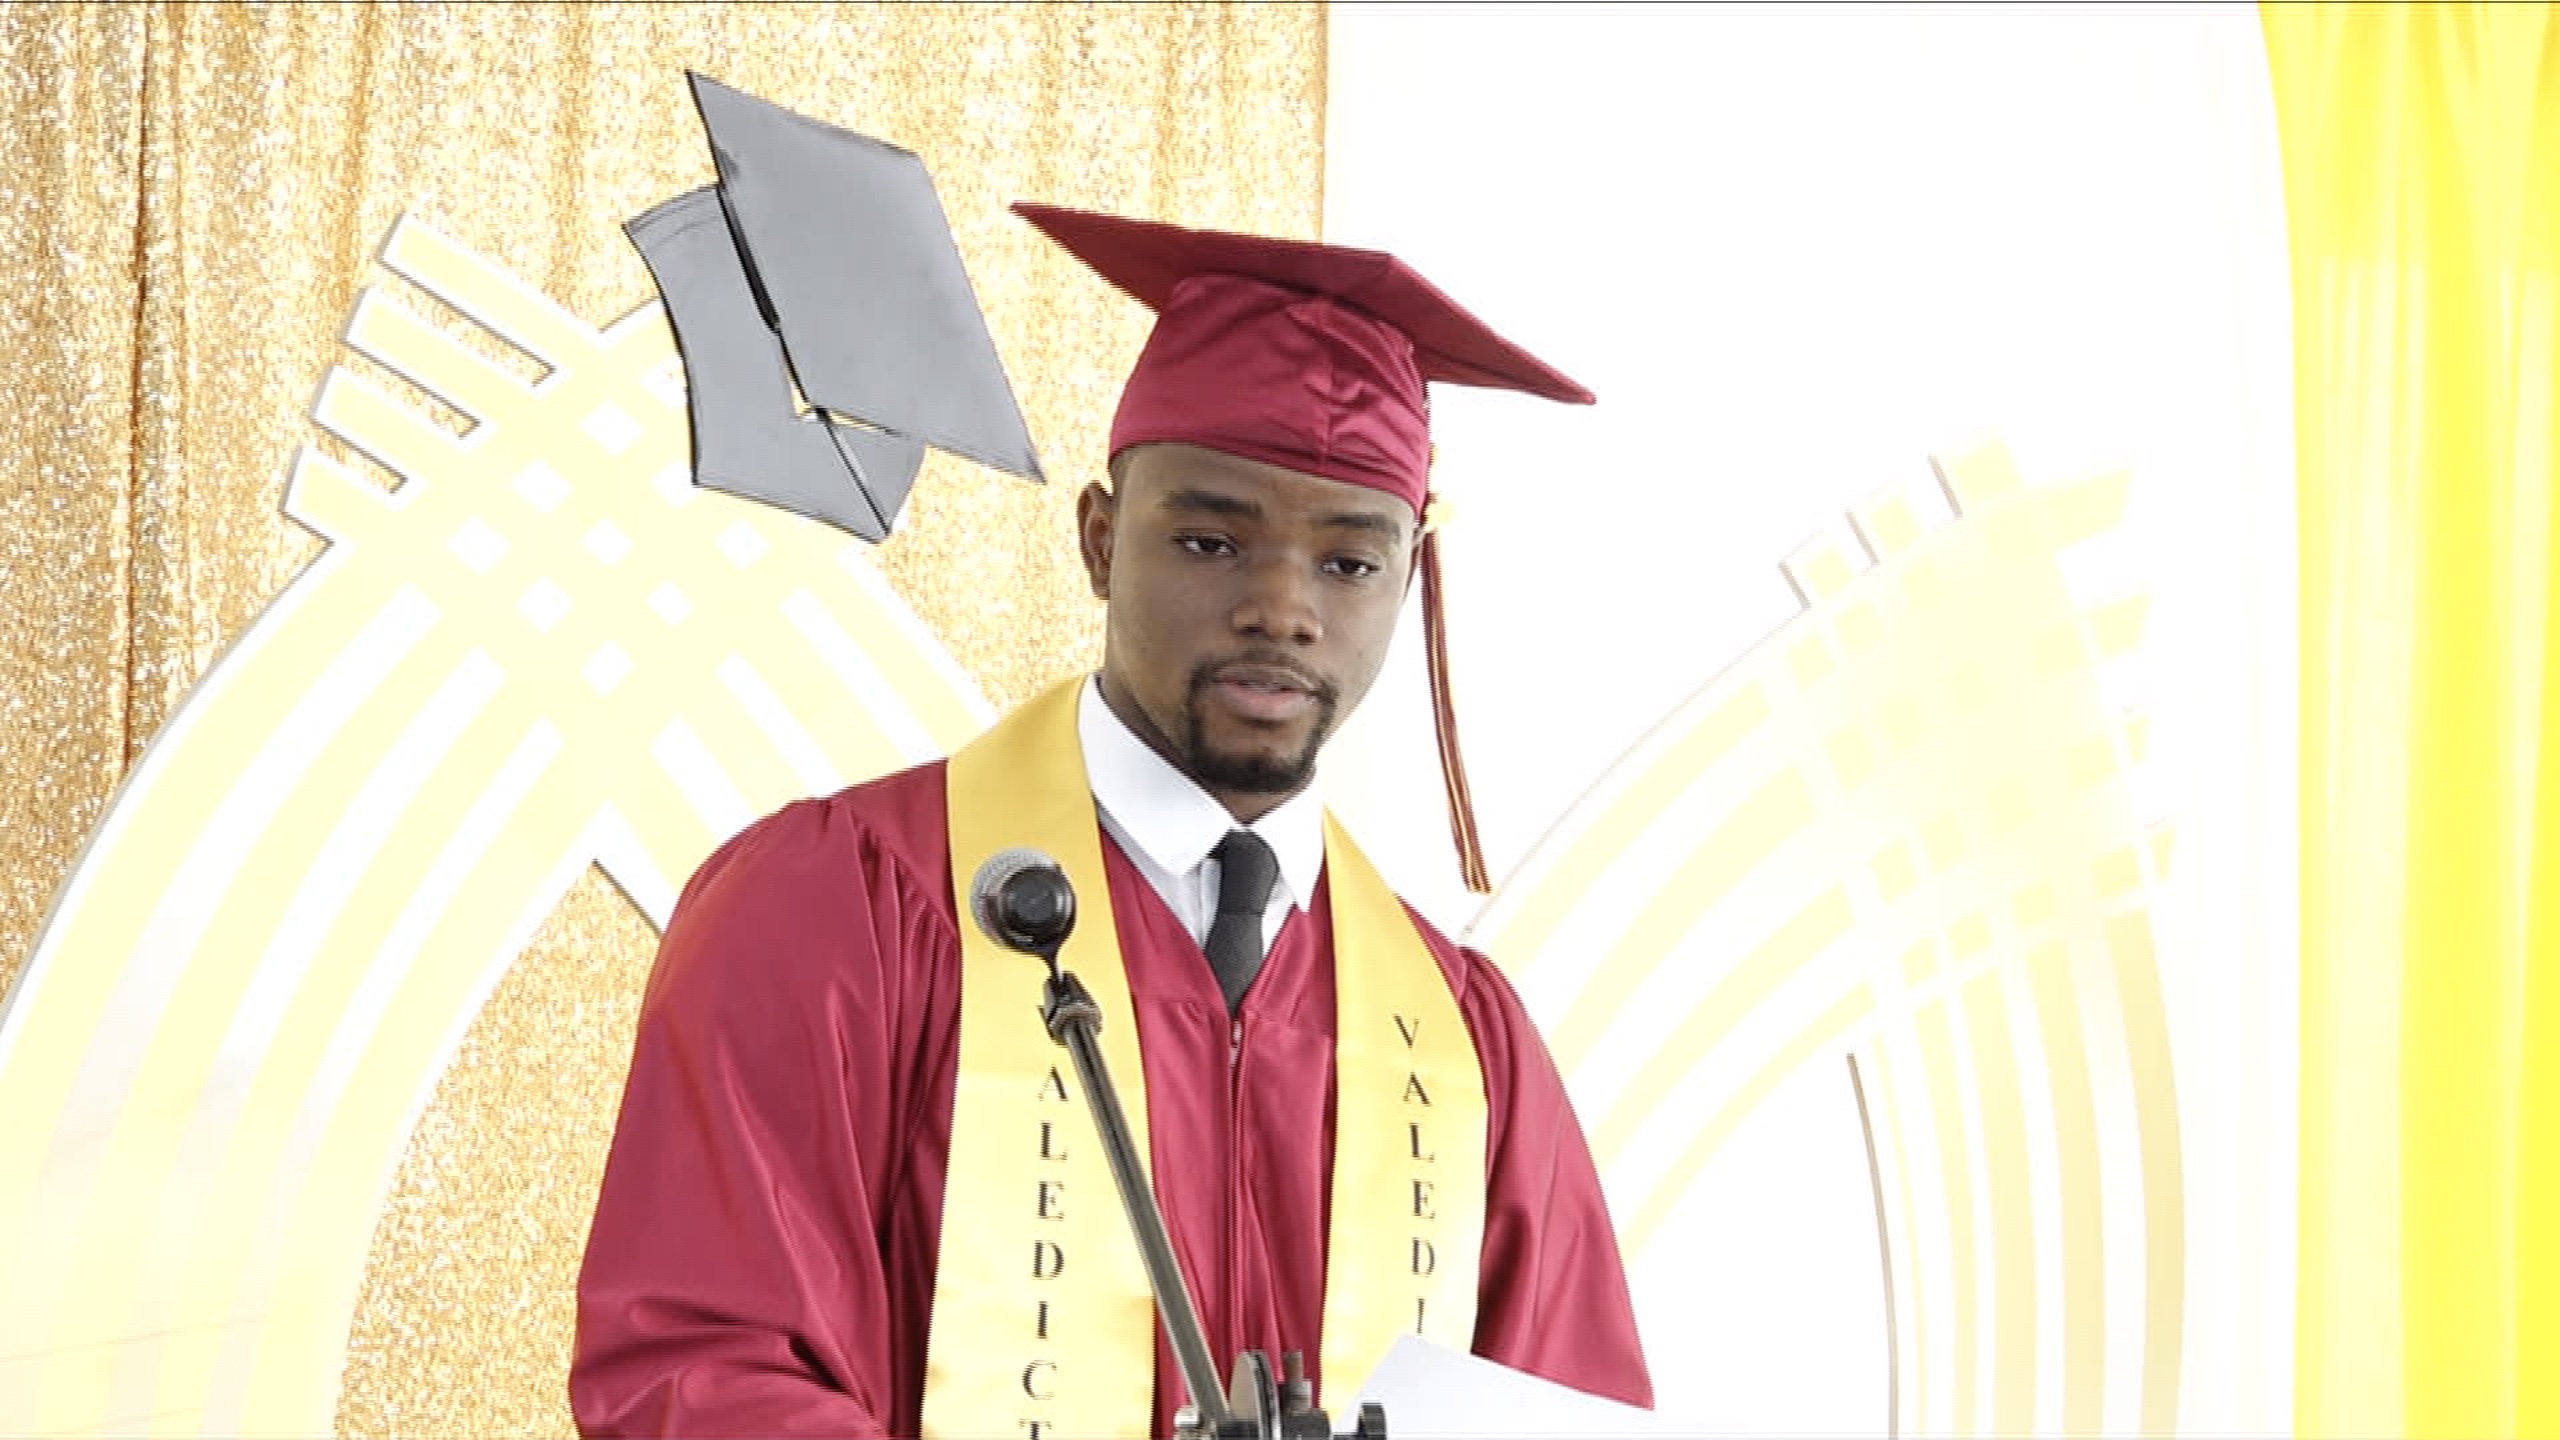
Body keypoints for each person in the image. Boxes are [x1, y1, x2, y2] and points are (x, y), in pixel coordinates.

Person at [571, 203, 1651, 1439]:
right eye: (1209, 538)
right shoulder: (845, 908)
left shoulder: (1464, 1042)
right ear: (1097, 540)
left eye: (1349, 563)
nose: (1281, 610)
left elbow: (1566, 1412)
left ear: (1407, 584)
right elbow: (699, 1373)